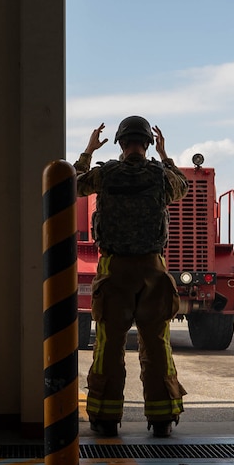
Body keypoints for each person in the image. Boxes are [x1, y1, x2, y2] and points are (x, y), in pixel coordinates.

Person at [75, 115, 187, 437]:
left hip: (115, 270)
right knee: (157, 346)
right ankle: (163, 418)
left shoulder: (106, 175)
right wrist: (166, 157)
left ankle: (105, 418)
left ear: (121, 143)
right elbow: (183, 186)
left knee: (109, 346)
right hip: (153, 269)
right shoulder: (160, 177)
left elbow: (73, 182)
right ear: (148, 143)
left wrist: (89, 150)